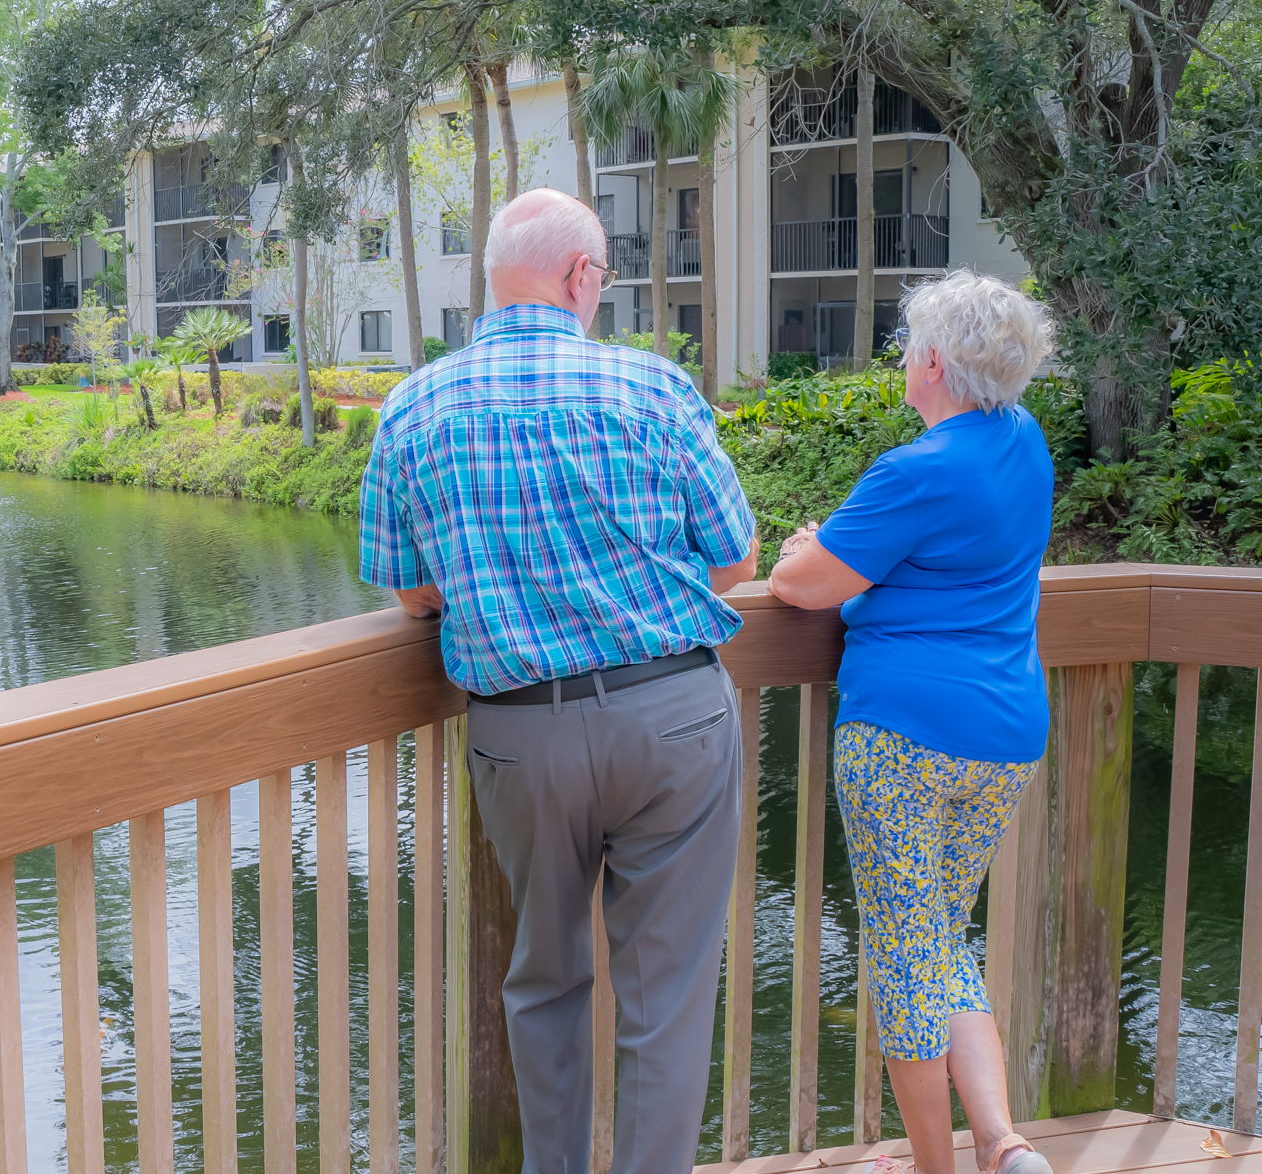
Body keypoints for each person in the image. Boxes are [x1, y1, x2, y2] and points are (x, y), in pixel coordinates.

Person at [359, 187, 759, 1174]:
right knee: (663, 996)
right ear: (581, 278)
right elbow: (734, 560)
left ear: (493, 279)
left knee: (542, 978)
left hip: (519, 732)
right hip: (671, 715)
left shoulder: (414, 405)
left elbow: (410, 593)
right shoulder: (652, 390)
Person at [768, 269, 1056, 1174]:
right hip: (1005, 731)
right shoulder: (1025, 442)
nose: (902, 360)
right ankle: (1003, 1145)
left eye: (907, 347)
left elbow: (801, 587)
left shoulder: (916, 471)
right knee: (937, 937)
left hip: (904, 739)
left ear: (932, 360)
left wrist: (803, 550)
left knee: (902, 958)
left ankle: (938, 1168)